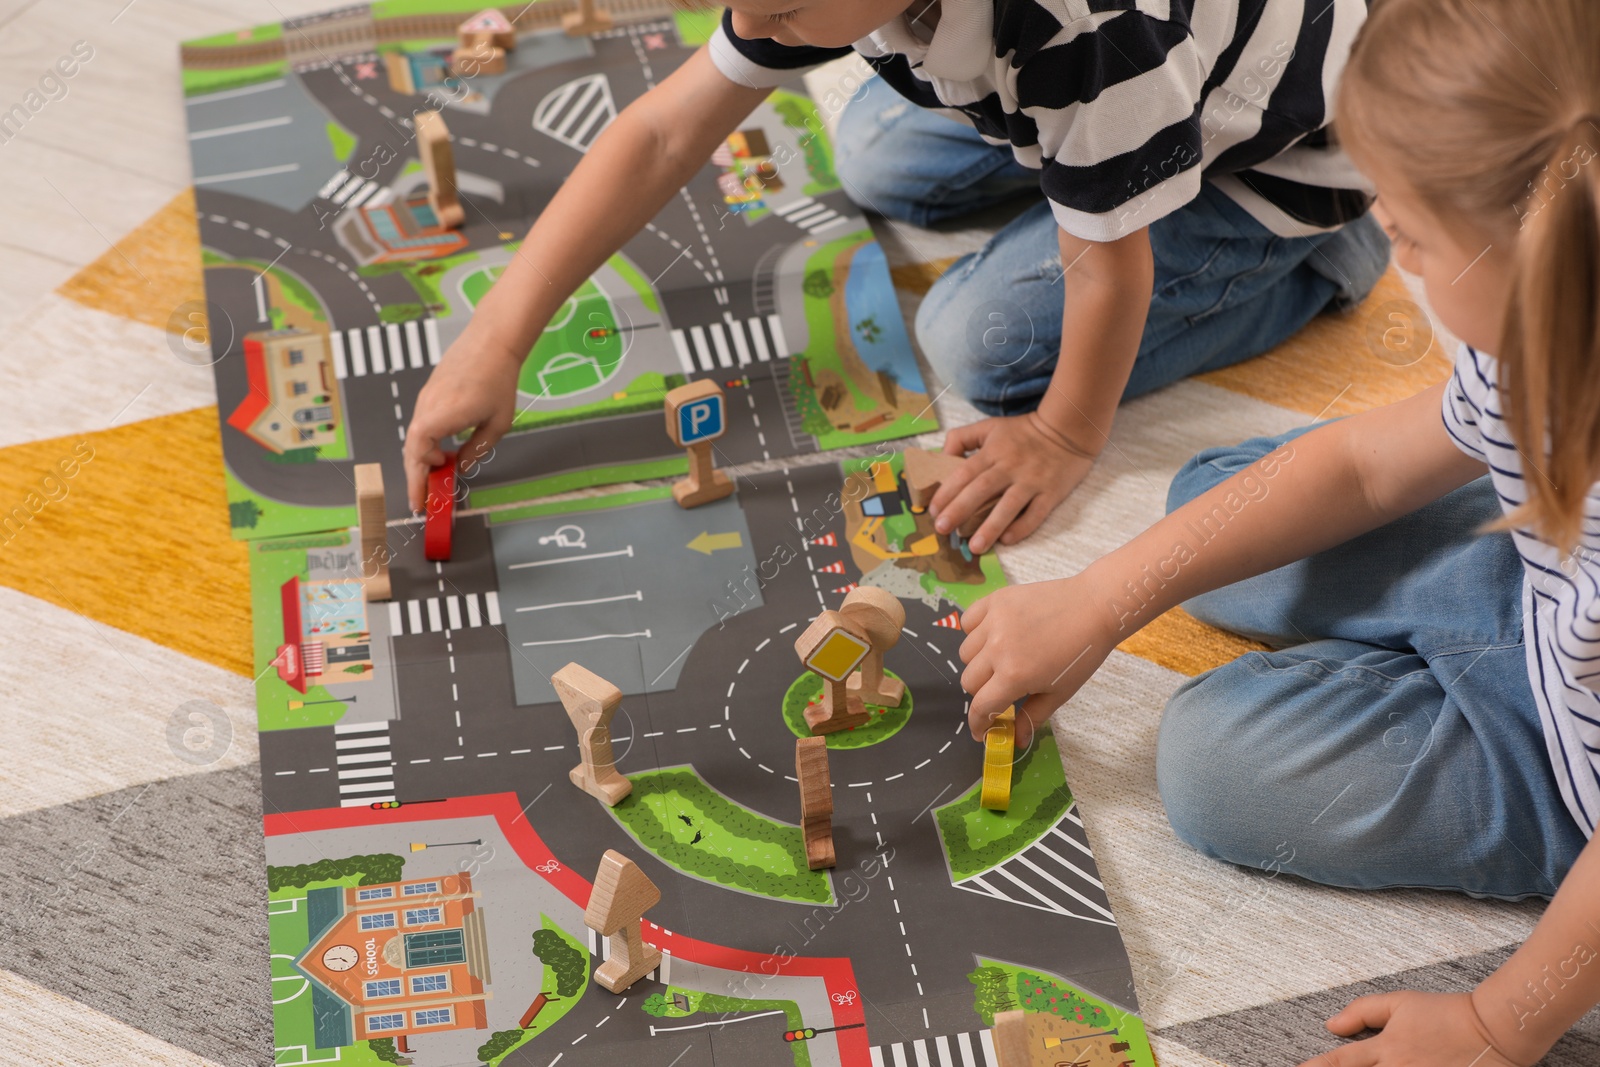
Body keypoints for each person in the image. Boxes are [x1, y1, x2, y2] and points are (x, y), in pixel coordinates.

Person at [957, 0, 1600, 1061]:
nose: (1393, 244)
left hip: (1569, 763)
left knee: (1212, 763)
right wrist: (1101, 598)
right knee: (1211, 501)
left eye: (1407, 235)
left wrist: (1496, 1020)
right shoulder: (1541, 314)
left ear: (1532, 258)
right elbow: (1356, 463)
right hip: (1538, 577)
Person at [402, 0, 1391, 547]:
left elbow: (1110, 272)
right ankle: (1085, 165)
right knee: (875, 159)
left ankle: (1326, 252)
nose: (754, 17)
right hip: (1094, 77)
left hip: (1288, 152)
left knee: (983, 343)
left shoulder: (1092, 40)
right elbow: (664, 130)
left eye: (782, 8)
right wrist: (497, 336)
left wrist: (1060, 435)